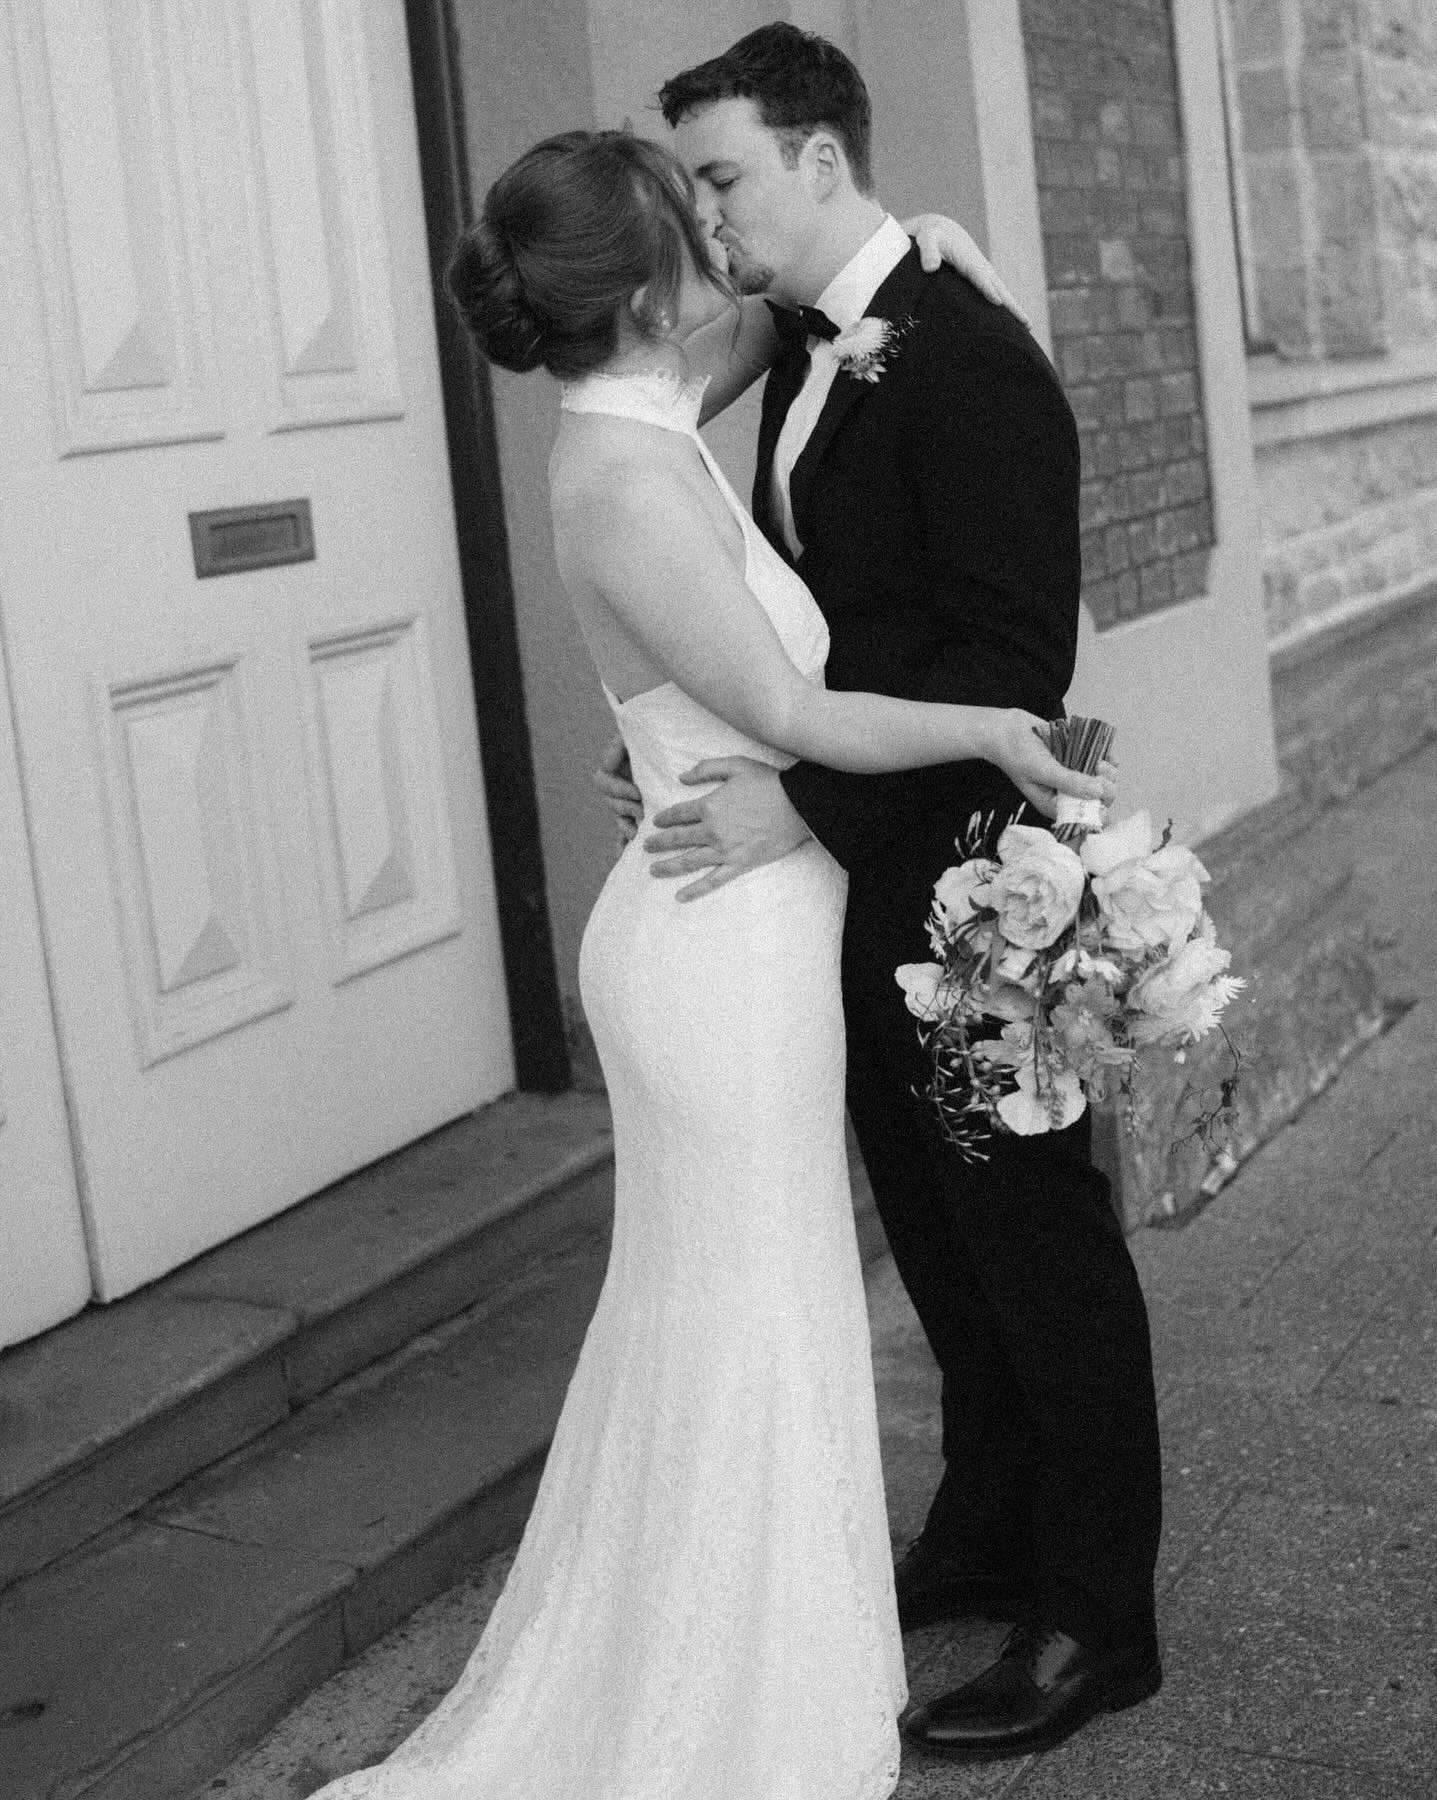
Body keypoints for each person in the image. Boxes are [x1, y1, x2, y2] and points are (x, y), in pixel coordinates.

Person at [303, 126, 1105, 1800]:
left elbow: (787, 324)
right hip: (714, 951)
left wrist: (921, 236)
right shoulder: (615, 475)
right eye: (699, 212)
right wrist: (1000, 731)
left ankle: (757, 1628)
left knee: (747, 1302)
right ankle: (720, 1688)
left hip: (735, 913)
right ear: (650, 272)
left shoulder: (644, 405)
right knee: (747, 1310)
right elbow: (797, 715)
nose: (724, 234)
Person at [598, 22, 1166, 1764]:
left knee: (1040, 1252)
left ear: (823, 160)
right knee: (939, 1241)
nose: (705, 221)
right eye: (691, 184)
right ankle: (989, 1532)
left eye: (722, 180)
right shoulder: (827, 335)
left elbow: (1012, 657)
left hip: (972, 898)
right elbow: (824, 617)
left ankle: (1096, 1615)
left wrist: (795, 797)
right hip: (867, 888)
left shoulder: (974, 368)